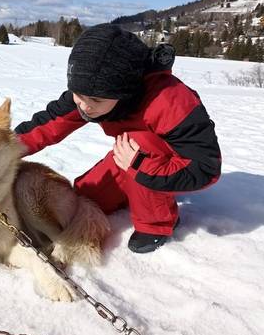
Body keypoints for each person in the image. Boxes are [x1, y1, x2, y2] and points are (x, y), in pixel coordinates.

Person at [14, 23, 221, 254]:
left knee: (140, 146)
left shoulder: (171, 102)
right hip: (130, 156)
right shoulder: (91, 91)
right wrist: (3, 148)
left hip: (170, 164)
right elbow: (50, 123)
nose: (84, 105)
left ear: (123, 92)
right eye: (78, 95)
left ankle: (158, 223)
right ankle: (134, 188)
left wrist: (141, 165)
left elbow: (206, 168)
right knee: (86, 198)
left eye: (94, 100)